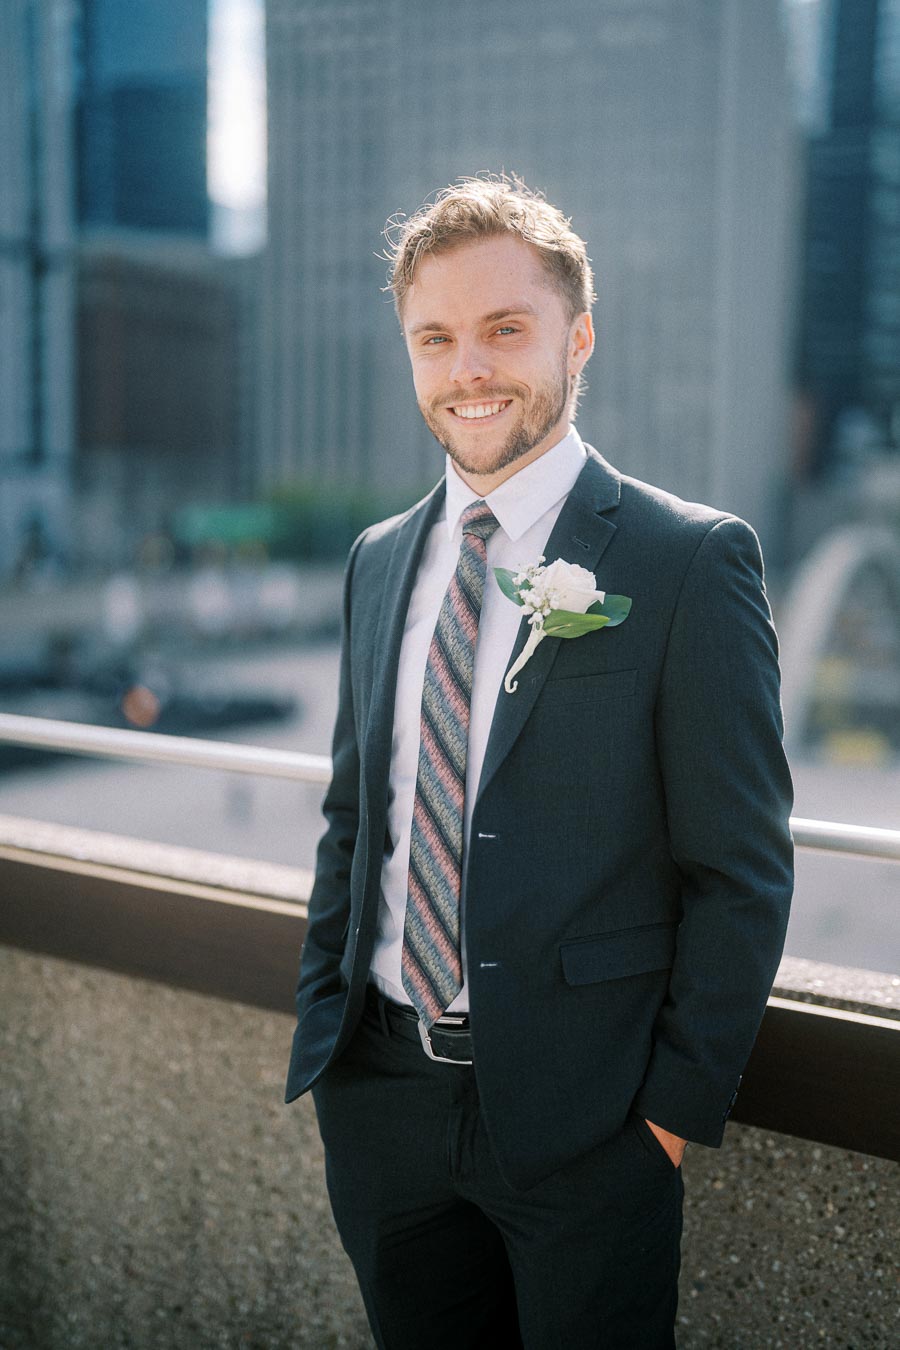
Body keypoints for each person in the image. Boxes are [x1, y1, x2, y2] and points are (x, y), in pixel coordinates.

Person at [285, 175, 794, 1349]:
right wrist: (331, 1035)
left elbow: (742, 871)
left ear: (579, 336)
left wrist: (664, 1122)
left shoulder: (687, 562)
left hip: (590, 1131)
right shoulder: (376, 561)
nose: (470, 369)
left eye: (505, 330)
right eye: (437, 338)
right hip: (383, 1106)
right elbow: (356, 818)